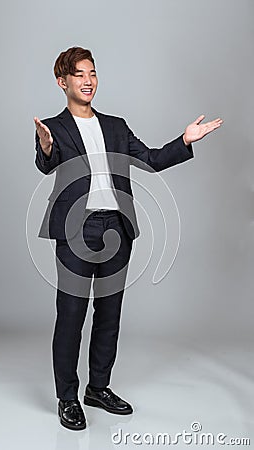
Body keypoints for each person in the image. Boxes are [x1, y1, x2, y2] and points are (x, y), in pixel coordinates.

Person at [34, 46, 223, 431]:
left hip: (116, 231)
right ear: (62, 82)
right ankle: (67, 397)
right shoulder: (54, 126)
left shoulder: (116, 126)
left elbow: (151, 159)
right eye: (79, 75)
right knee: (71, 316)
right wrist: (47, 146)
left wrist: (185, 140)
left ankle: (97, 387)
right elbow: (46, 163)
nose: (88, 81)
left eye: (92, 73)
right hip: (74, 230)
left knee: (110, 315)